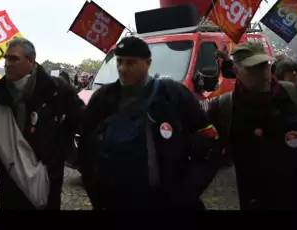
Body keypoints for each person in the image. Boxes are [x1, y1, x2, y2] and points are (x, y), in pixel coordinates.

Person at [78, 36, 221, 210]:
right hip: (115, 202)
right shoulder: (102, 99)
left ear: (148, 62)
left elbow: (209, 142)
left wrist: (187, 192)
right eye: (120, 62)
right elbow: (85, 149)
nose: (123, 69)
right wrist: (96, 194)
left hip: (163, 202)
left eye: (131, 63)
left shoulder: (172, 94)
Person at [206, 41, 297, 210]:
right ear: (236, 71)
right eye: (252, 68)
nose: (262, 73)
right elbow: (211, 155)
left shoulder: (296, 94)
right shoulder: (223, 108)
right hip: (258, 201)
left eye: (264, 65)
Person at [0, 38, 85, 210]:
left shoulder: (56, 90)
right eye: (6, 58)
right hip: (10, 179)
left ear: (31, 60)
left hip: (46, 176)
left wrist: (59, 153)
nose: (8, 64)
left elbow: (81, 122)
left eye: (14, 59)